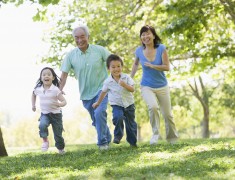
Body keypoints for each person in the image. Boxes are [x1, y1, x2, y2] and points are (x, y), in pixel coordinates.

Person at [60, 24, 112, 150]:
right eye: (76, 38)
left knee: (99, 112)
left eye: (82, 36)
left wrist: (117, 79)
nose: (79, 40)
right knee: (96, 119)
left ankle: (102, 144)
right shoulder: (71, 55)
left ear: (88, 37)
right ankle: (107, 136)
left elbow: (114, 61)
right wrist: (59, 90)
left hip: (102, 89)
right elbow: (64, 75)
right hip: (85, 94)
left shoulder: (99, 50)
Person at [131, 25, 178, 145]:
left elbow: (167, 67)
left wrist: (153, 66)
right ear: (141, 37)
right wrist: (130, 77)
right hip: (147, 86)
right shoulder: (138, 51)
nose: (145, 36)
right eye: (143, 34)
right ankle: (155, 135)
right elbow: (136, 64)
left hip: (162, 86)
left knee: (167, 114)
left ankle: (172, 139)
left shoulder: (161, 48)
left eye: (148, 33)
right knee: (152, 107)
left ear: (153, 35)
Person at [92, 54, 137, 147]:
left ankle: (132, 143)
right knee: (118, 117)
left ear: (122, 67)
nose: (116, 69)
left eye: (118, 66)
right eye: (113, 67)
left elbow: (132, 89)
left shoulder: (127, 78)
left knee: (131, 124)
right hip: (117, 105)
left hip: (129, 104)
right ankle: (118, 135)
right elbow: (103, 93)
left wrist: (125, 85)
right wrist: (98, 103)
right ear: (108, 68)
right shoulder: (108, 81)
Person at [31, 67, 67, 154]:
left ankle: (61, 149)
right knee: (42, 125)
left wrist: (60, 104)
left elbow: (64, 101)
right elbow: (33, 94)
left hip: (56, 115)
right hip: (45, 114)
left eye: (48, 74)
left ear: (53, 77)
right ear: (41, 78)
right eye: (44, 75)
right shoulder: (38, 89)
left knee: (58, 135)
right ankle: (45, 141)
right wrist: (33, 105)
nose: (46, 76)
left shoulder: (55, 90)